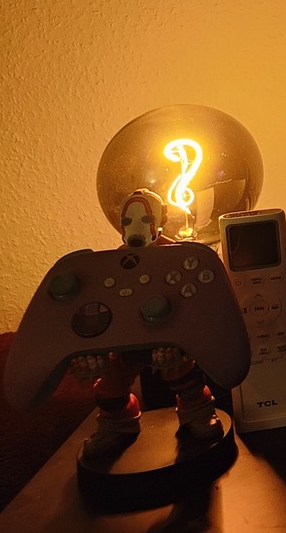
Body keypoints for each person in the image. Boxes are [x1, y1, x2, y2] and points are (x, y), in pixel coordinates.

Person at [70, 189, 223, 459]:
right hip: (128, 338)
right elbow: (104, 302)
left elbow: (191, 295)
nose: (136, 228)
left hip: (166, 336)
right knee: (109, 389)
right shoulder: (115, 263)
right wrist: (96, 346)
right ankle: (117, 424)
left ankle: (197, 412)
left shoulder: (176, 256)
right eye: (127, 222)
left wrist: (181, 334)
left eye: (145, 220)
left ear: (160, 219)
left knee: (184, 377)